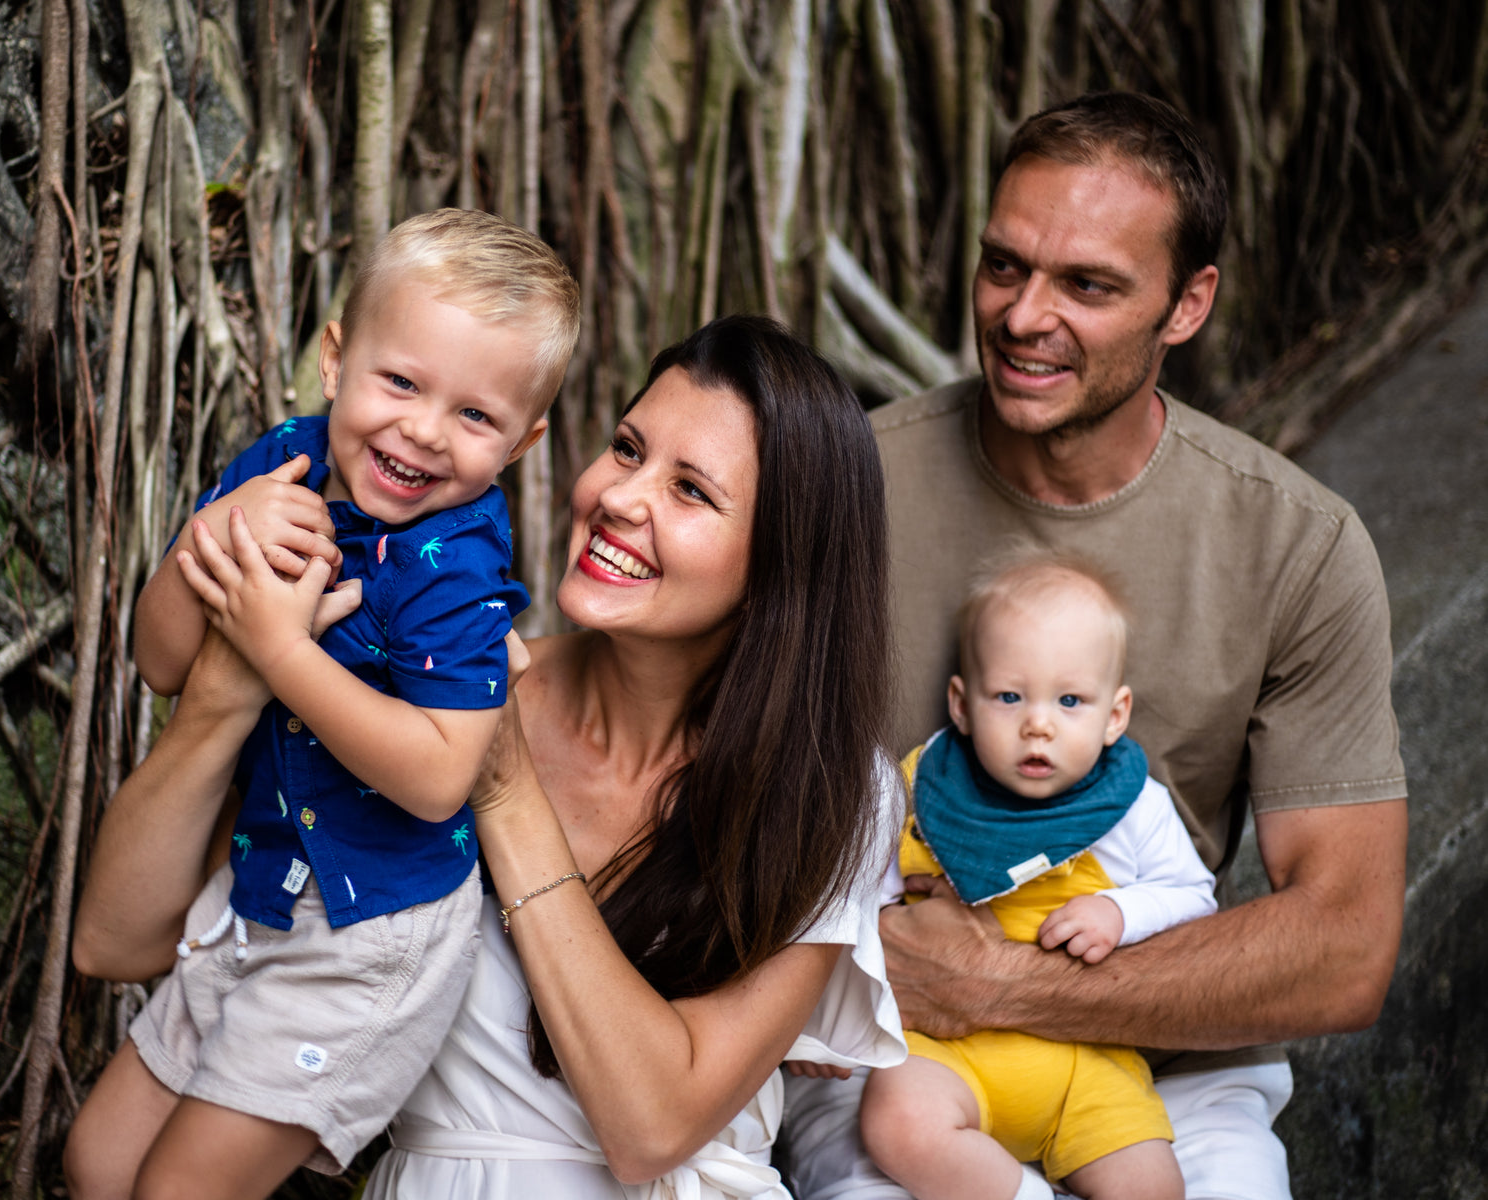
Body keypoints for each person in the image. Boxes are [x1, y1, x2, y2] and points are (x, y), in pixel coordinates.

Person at [65, 315, 908, 1200]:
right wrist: (231, 684)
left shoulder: (832, 793)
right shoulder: (410, 687)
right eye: (627, 449)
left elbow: (655, 1126)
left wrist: (498, 785)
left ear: (783, 563)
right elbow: (114, 942)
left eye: (691, 490)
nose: (622, 497)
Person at [782, 91, 1407, 1200]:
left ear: (1187, 304)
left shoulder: (1294, 545)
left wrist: (1005, 984)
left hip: (1166, 1065)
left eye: (1088, 285)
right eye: (1004, 266)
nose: (1024, 316)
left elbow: (1345, 949)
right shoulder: (846, 490)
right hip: (894, 1059)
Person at [66, 208, 581, 1187]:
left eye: (476, 417)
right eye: (401, 382)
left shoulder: (453, 567)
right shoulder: (282, 463)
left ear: (525, 439)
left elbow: (438, 778)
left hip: (371, 937)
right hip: (262, 886)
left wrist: (276, 649)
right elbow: (160, 658)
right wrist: (211, 534)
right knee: (99, 1161)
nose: (424, 433)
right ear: (335, 360)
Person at [859, 552, 1215, 1200]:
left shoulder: (1130, 807)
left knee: (1154, 1187)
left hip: (1086, 1061)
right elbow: (862, 914)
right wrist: (831, 1014)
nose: (1038, 723)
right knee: (896, 1121)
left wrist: (1120, 914)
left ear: (1115, 714)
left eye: (1071, 699)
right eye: (1010, 696)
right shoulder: (921, 791)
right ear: (962, 705)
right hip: (948, 1052)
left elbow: (1195, 898)